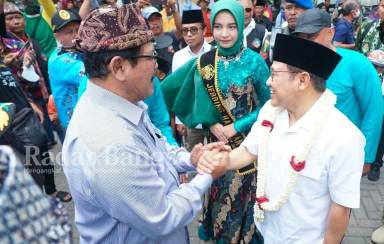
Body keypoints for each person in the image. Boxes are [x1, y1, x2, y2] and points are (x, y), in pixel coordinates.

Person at [61, 4, 229, 243]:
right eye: (150, 57)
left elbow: (156, 152)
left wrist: (190, 160)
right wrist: (207, 174)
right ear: (118, 67)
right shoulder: (109, 146)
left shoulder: (122, 105)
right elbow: (163, 217)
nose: (157, 66)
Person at [198, 33, 365, 243]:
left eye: (274, 73)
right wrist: (215, 161)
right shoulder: (271, 111)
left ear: (302, 80)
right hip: (263, 231)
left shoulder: (344, 137)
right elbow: (248, 151)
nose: (268, 81)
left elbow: (340, 209)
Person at [161, 0, 270, 242]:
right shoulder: (205, 62)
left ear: (241, 26)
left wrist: (237, 126)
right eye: (218, 26)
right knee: (217, 199)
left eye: (231, 26)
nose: (224, 33)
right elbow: (188, 98)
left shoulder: (255, 62)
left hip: (246, 148)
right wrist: (210, 123)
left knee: (242, 205)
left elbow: (269, 106)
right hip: (215, 146)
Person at [293, 8, 383, 176]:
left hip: (343, 155)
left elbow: (374, 111)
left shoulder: (357, 63)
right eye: (302, 38)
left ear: (330, 33)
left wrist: (366, 157)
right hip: (305, 153)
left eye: (311, 36)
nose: (306, 43)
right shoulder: (298, 65)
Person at [171, 9, 211, 150]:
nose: (189, 34)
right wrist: (179, 120)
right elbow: (177, 91)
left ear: (204, 29)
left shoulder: (214, 53)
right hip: (191, 121)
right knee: (192, 161)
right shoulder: (178, 57)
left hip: (214, 119)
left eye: (193, 30)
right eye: (185, 30)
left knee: (218, 160)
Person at [48, 9, 85, 132]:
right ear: (56, 36)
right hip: (76, 124)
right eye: (69, 32)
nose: (76, 35)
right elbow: (91, 73)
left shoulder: (76, 49)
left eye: (77, 29)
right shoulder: (59, 60)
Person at [142, 5, 180, 79]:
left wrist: (174, 9)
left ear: (162, 21)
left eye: (157, 19)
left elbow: (181, 29)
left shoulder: (171, 35)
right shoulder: (144, 45)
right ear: (145, 24)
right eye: (151, 20)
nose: (155, 23)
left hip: (178, 79)